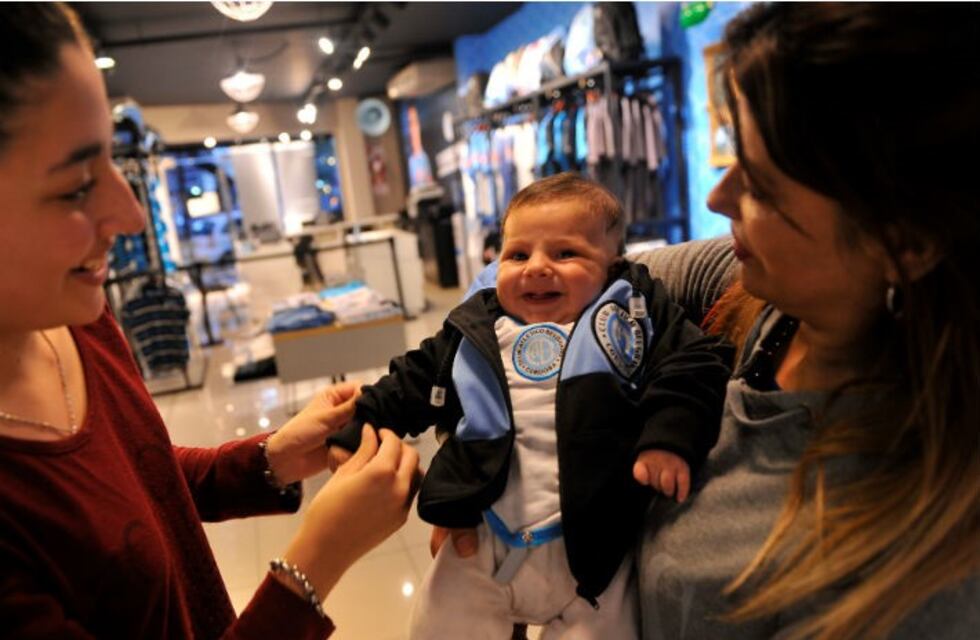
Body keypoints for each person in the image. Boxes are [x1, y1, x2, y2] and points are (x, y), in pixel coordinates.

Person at [0, 4, 419, 638]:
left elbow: (140, 486)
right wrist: (315, 562)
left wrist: (269, 459)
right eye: (76, 186)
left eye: (113, 159)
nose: (133, 216)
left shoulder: (76, 319)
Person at [633, 4, 980, 640]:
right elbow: (607, 282)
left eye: (762, 189)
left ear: (905, 244)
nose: (718, 198)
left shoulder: (924, 579)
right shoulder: (773, 306)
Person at [326, 172, 733, 638]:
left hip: (597, 557)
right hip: (480, 545)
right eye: (517, 255)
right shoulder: (479, 325)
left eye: (566, 253)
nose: (536, 267)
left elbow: (696, 362)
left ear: (612, 265)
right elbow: (414, 377)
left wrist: (669, 436)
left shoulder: (635, 314)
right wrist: (361, 421)